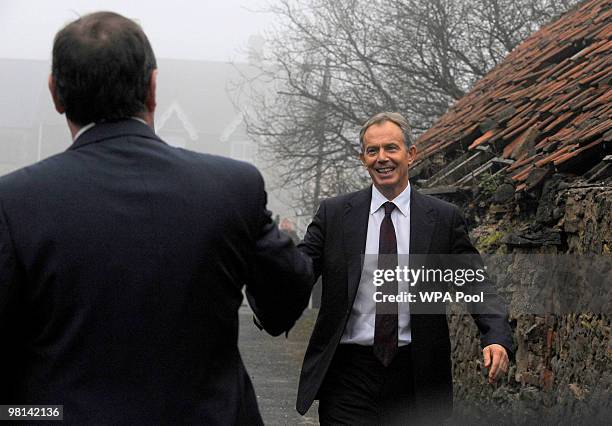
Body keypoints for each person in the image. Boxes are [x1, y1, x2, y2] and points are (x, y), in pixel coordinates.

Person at [0, 12, 312, 425]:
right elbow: (285, 298)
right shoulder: (233, 187)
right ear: (152, 87)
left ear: (56, 94)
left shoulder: (14, 201)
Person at [296, 112, 513, 424]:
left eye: (391, 148)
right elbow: (300, 269)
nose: (382, 158)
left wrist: (495, 336)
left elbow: (475, 284)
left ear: (411, 154)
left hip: (416, 376)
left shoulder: (443, 219)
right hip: (348, 375)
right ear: (363, 159)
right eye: (372, 151)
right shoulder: (334, 215)